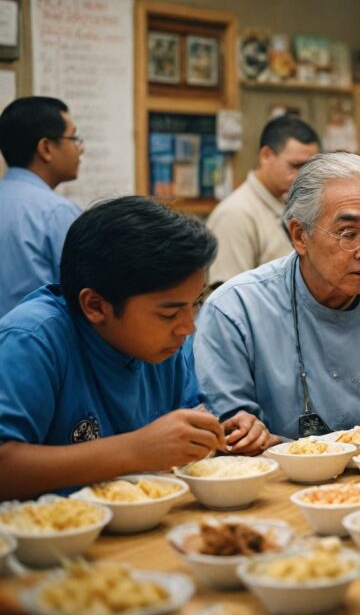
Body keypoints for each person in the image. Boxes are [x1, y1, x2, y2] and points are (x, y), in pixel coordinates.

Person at [194, 152, 360, 450]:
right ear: (300, 236)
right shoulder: (236, 310)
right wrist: (249, 435)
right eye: (349, 234)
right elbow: (229, 431)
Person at [0, 197, 226, 500]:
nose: (188, 328)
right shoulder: (33, 340)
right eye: (169, 314)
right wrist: (135, 450)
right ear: (95, 305)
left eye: (196, 303)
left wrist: (213, 433)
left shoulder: (166, 344)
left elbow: (185, 422)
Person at [206, 115, 321, 286]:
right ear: (266, 155)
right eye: (295, 166)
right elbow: (229, 298)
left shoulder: (293, 204)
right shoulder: (235, 215)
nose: (303, 176)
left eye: (310, 168)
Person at [0, 96, 83, 317]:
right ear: (45, 148)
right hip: (36, 347)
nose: (80, 148)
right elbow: (87, 298)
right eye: (74, 138)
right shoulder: (58, 213)